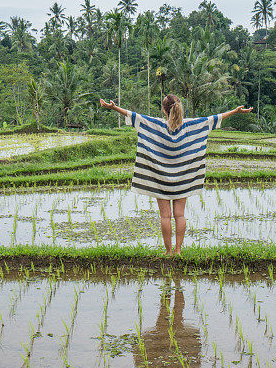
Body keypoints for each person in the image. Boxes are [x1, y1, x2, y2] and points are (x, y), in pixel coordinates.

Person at [99, 95, 252, 255]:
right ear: (179, 108)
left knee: (165, 217)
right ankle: (178, 250)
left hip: (161, 179)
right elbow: (214, 118)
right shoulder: (192, 125)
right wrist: (235, 111)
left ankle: (168, 252)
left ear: (164, 110)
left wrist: (113, 107)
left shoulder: (155, 124)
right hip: (183, 179)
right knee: (180, 215)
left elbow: (131, 115)